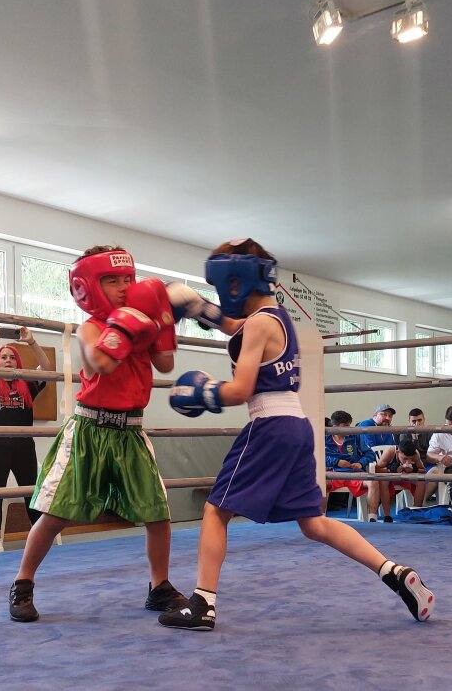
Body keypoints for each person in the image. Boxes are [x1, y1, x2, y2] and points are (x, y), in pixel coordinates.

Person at [159, 238, 433, 631]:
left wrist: (204, 391)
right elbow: (237, 326)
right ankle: (393, 571)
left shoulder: (257, 325)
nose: (223, 293)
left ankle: (202, 605)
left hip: (268, 425)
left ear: (234, 282)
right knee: (314, 523)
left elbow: (240, 390)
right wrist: (202, 310)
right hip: (297, 427)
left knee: (216, 510)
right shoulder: (277, 316)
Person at [9, 245, 216, 622]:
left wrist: (165, 322)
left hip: (131, 432)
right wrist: (126, 323)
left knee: (157, 514)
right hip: (90, 429)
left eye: (127, 279)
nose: (123, 287)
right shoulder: (91, 328)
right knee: (56, 514)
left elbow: (165, 362)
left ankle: (159, 586)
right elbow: (100, 362)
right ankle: (23, 582)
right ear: (87, 287)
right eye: (111, 280)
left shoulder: (146, 320)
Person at [0, 325, 52, 553]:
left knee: (30, 491)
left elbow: (46, 368)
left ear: (18, 363)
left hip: (23, 447)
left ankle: (38, 532)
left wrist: (32, 342)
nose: (8, 360)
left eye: (12, 358)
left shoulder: (28, 384)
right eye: (3, 357)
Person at [324, 410, 374, 507]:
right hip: (333, 473)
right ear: (335, 427)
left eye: (349, 425)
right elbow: (316, 457)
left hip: (354, 473)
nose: (348, 429)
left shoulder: (355, 437)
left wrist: (360, 463)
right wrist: (337, 462)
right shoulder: (324, 439)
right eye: (345, 426)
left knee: (373, 482)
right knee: (320, 482)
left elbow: (370, 453)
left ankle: (372, 517)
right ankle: (320, 517)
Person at [372, 439, 429, 517]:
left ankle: (416, 511)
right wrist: (391, 470)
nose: (408, 462)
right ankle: (387, 515)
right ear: (398, 452)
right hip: (391, 477)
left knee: (421, 481)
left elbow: (423, 471)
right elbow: (376, 469)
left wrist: (414, 469)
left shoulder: (416, 454)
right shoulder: (390, 451)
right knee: (383, 481)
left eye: (411, 459)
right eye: (405, 459)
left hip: (406, 477)